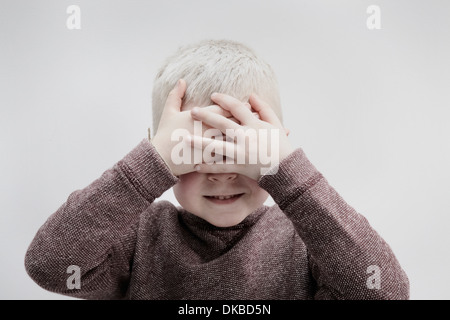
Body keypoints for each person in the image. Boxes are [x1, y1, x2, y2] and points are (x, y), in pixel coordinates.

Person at [25, 39, 409, 299]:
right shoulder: (138, 239)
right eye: (194, 151)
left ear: (278, 147)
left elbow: (384, 291)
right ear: (158, 153)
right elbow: (51, 264)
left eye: (242, 150)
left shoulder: (308, 242)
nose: (222, 173)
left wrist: (288, 172)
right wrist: (149, 164)